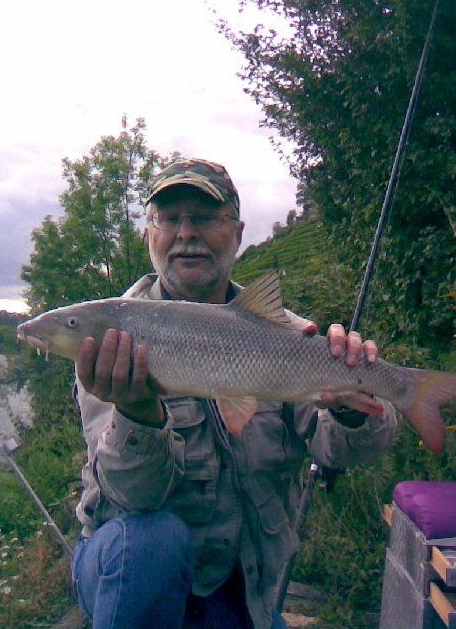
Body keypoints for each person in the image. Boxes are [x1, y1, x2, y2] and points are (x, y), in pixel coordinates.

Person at [71, 158, 397, 629]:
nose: (186, 233)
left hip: (243, 589)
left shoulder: (290, 334)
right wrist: (138, 414)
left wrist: (352, 413)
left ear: (238, 233)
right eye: (169, 219)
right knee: (149, 542)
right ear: (149, 234)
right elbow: (131, 500)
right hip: (129, 569)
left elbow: (339, 451)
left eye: (205, 218)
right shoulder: (113, 339)